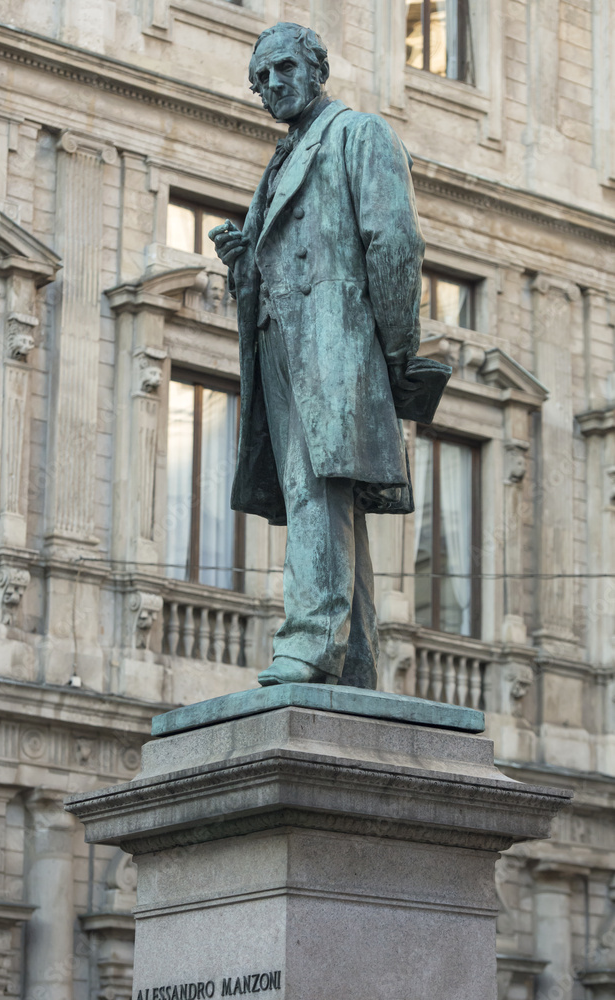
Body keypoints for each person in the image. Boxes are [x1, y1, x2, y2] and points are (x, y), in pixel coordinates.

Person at [209, 22, 425, 689]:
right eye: (258, 80)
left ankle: (308, 643)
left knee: (317, 490)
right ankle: (352, 660)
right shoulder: (281, 157)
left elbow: (394, 245)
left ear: (316, 67)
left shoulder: (358, 134)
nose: (270, 86)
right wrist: (244, 264)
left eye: (280, 69)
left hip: (334, 344)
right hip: (282, 342)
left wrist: (392, 354)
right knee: (325, 497)